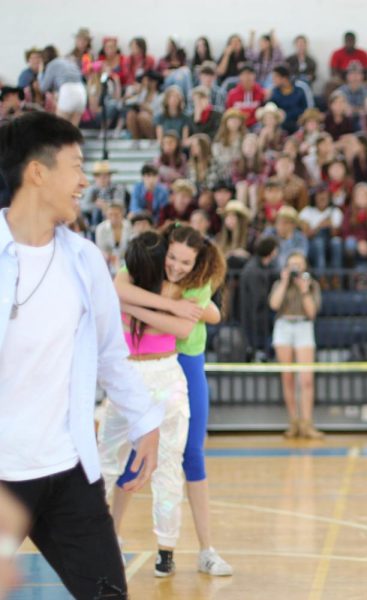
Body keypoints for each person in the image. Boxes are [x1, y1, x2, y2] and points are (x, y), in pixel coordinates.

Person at [0, 111, 162, 599]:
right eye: (75, 166)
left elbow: (112, 354)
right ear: (37, 172)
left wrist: (145, 421)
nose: (84, 181)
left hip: (68, 469)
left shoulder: (85, 259)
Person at [113, 224, 232, 577]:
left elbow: (187, 326)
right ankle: (112, 537)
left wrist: (137, 309)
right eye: (173, 258)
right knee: (134, 453)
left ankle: (206, 550)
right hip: (146, 365)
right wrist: (166, 306)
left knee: (192, 454)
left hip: (185, 363)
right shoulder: (146, 266)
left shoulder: (200, 280)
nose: (177, 266)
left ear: (196, 262)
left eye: (185, 261)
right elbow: (117, 289)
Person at [98, 231, 194, 579]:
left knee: (108, 463)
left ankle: (103, 543)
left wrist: (130, 307)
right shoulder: (177, 291)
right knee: (168, 466)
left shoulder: (122, 288)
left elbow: (117, 289)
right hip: (166, 375)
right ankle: (165, 552)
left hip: (129, 379)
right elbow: (189, 325)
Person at [270, 251, 325, 439]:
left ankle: (307, 423)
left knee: (306, 378)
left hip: (303, 326)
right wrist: (285, 282)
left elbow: (311, 313)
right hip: (284, 326)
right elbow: (274, 304)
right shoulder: (280, 284)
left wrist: (304, 290)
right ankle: (293, 422)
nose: (295, 269)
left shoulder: (312, 285)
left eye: (299, 265)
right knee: (287, 377)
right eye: (292, 265)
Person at [239, 236, 279, 361]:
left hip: (258, 314)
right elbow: (258, 298)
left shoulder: (261, 267)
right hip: (256, 315)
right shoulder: (254, 270)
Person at [299, 184, 344, 273]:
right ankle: (321, 276)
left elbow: (338, 234)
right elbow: (304, 235)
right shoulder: (307, 211)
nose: (322, 197)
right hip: (313, 246)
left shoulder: (335, 211)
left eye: (325, 195)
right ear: (314, 197)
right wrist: (319, 227)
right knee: (319, 243)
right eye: (319, 195)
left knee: (337, 242)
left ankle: (336, 277)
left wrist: (330, 225)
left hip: (330, 244)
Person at [39, 46, 87, 126]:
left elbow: (43, 88)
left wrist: (40, 72)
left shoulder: (52, 64)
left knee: (60, 127)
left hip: (68, 91)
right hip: (81, 91)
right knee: (73, 130)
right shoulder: (68, 61)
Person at [341, 182, 367, 268]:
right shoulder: (349, 212)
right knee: (350, 243)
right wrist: (359, 242)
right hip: (356, 244)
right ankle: (351, 268)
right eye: (358, 196)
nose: (361, 198)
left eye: (364, 195)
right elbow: (345, 232)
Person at [83, 160, 129, 226]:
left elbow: (119, 204)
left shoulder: (118, 188)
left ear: (109, 176)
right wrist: (97, 206)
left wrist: (105, 205)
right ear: (95, 177)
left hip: (114, 217)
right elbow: (84, 206)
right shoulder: (91, 189)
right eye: (99, 176)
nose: (102, 178)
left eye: (105, 175)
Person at [270, 65, 313, 135]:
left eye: (275, 77)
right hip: (282, 126)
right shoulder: (275, 92)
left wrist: (303, 118)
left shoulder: (301, 87)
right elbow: (271, 109)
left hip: (300, 124)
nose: (273, 80)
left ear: (284, 78)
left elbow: (310, 108)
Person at [124, 70, 163, 140]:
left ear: (155, 82)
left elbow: (159, 115)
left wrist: (146, 108)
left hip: (154, 124)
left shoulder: (160, 96)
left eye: (148, 81)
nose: (145, 83)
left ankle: (152, 139)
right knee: (131, 114)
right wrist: (138, 91)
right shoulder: (143, 93)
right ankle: (135, 139)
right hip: (140, 122)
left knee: (142, 116)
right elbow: (127, 102)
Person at [94, 201, 132, 274]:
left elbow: (131, 246)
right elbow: (101, 249)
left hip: (126, 259)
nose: (113, 217)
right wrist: (113, 260)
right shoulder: (100, 228)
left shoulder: (128, 225)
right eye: (110, 214)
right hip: (108, 261)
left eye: (116, 214)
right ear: (106, 215)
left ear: (122, 214)